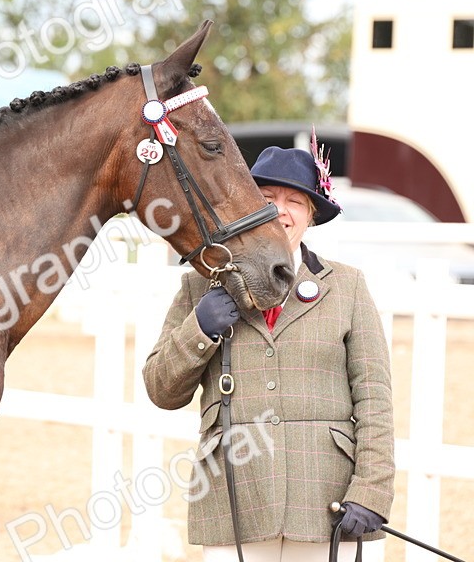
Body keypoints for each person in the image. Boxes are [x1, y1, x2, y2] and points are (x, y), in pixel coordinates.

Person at [142, 141, 395, 562]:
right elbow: (161, 390)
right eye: (266, 198)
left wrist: (371, 491)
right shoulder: (197, 287)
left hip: (327, 501)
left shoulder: (348, 286)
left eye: (295, 201)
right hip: (234, 498)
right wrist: (199, 329)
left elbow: (375, 402)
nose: (281, 210)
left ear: (311, 216)